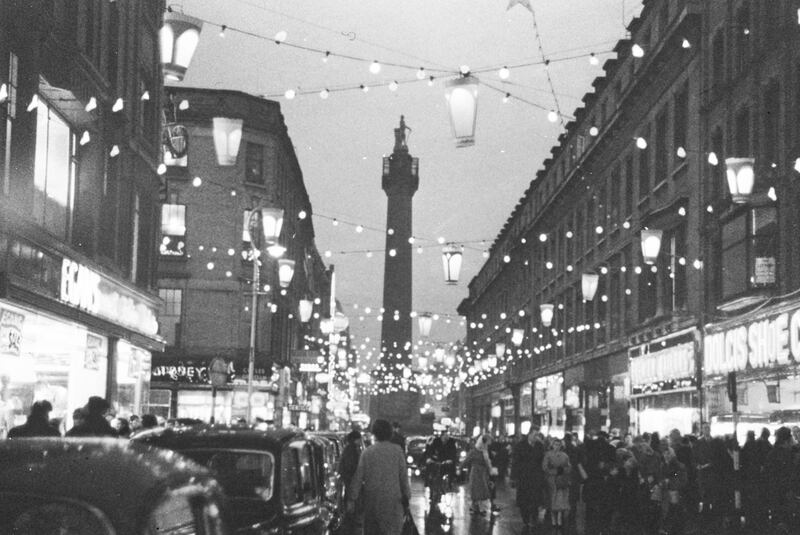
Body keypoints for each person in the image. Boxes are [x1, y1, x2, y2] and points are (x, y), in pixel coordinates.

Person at [348, 419, 411, 535]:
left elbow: (358, 477)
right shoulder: (397, 451)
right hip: (393, 503)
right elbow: (403, 477)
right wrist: (406, 495)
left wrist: (352, 498)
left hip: (373, 503)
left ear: (374, 433)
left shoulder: (367, 453)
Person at [511, 428, 546, 532]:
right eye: (535, 435)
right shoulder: (520, 445)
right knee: (524, 500)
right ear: (529, 434)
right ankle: (525, 519)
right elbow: (515, 462)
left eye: (537, 435)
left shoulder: (539, 446)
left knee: (535, 498)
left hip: (536, 476)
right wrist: (514, 477)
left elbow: (542, 460)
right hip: (524, 476)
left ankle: (534, 519)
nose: (536, 437)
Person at [542, 437, 571, 533]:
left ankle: (558, 518)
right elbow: (545, 467)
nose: (557, 446)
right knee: (552, 499)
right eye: (555, 444)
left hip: (561, 480)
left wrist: (563, 471)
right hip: (551, 480)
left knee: (560, 500)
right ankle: (553, 518)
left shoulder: (565, 455)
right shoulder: (548, 455)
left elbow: (569, 467)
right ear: (552, 445)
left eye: (558, 445)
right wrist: (554, 471)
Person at [465, 434, 493, 516]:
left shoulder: (486, 451)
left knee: (482, 489)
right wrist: (460, 468)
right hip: (476, 472)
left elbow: (488, 461)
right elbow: (467, 460)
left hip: (483, 473)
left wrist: (490, 469)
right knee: (475, 489)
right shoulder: (474, 451)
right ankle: (474, 506)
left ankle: (480, 507)